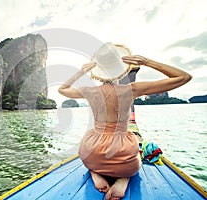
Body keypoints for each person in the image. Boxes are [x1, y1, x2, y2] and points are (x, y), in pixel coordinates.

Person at [58, 45, 192, 200]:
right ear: (121, 69)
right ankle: (124, 178)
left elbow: (63, 89)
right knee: (137, 159)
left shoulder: (89, 91)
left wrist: (82, 71)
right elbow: (184, 77)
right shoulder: (131, 90)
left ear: (98, 71)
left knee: (90, 156)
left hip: (91, 151)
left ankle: (95, 172)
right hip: (122, 154)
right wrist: (147, 62)